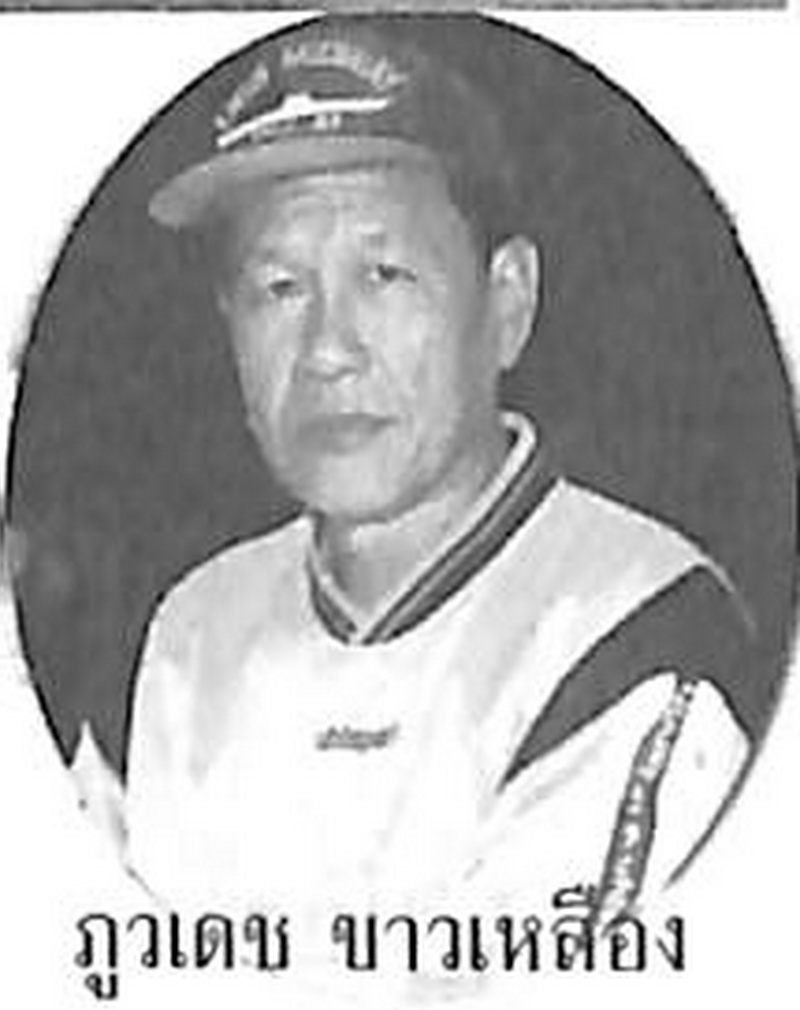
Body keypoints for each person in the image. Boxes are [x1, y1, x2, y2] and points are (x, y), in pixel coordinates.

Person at [80, 21, 755, 920]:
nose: (327, 349)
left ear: (507, 305)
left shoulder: (633, 629)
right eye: (280, 287)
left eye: (385, 274)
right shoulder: (187, 632)